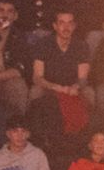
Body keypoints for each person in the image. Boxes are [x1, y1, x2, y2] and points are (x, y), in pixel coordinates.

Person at [29, 11, 91, 146]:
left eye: (70, 23)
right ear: (55, 26)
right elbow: (37, 77)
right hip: (48, 85)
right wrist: (56, 87)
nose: (66, 27)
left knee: (89, 93)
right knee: (35, 92)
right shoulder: (43, 44)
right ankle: (37, 138)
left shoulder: (82, 46)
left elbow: (83, 78)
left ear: (74, 26)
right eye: (62, 23)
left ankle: (85, 138)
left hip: (72, 87)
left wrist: (76, 87)